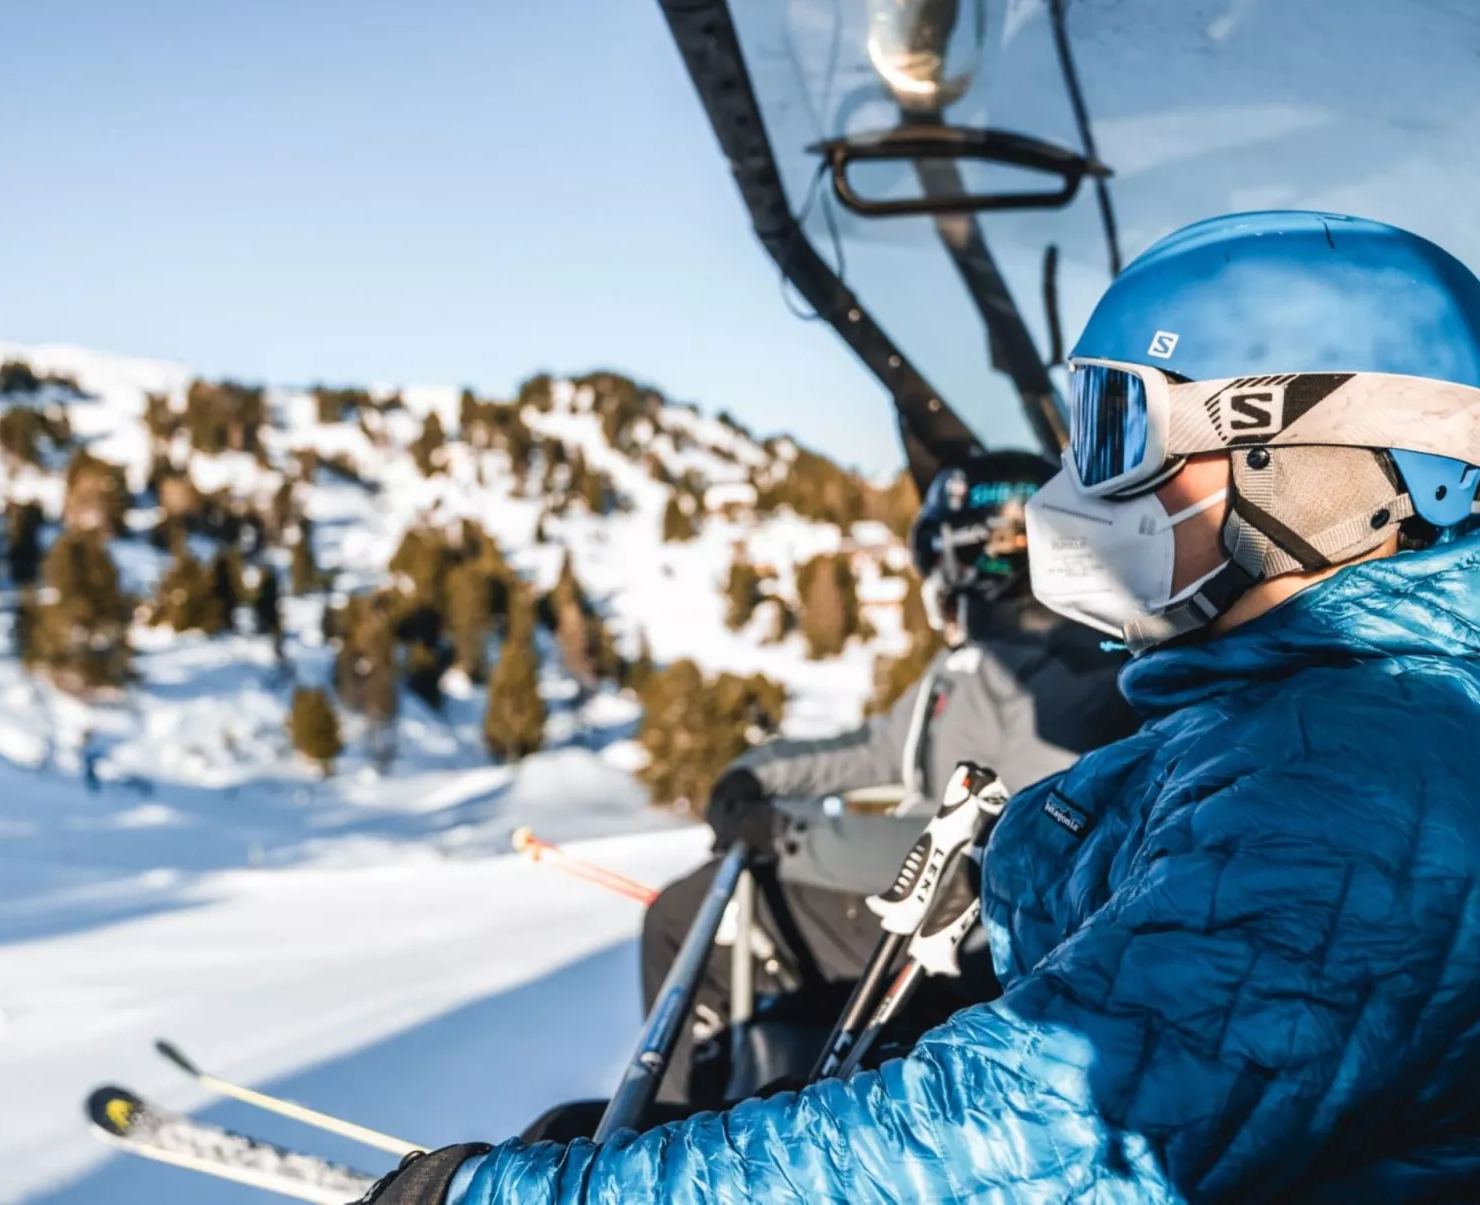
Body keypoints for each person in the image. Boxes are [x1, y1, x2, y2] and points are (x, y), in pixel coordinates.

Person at [357, 210, 1480, 1204]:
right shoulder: (1304, 722)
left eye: (1118, 432)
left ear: (1310, 462)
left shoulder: (1367, 779)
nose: (1087, 492)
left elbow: (1039, 1139)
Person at [639, 449, 1139, 1106]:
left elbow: (995, 847)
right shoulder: (973, 665)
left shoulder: (1071, 676)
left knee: (683, 917)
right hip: (924, 910)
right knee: (704, 906)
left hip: (968, 938)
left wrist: (791, 837)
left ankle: (668, 1134)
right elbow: (871, 747)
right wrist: (753, 776)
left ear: (969, 554)